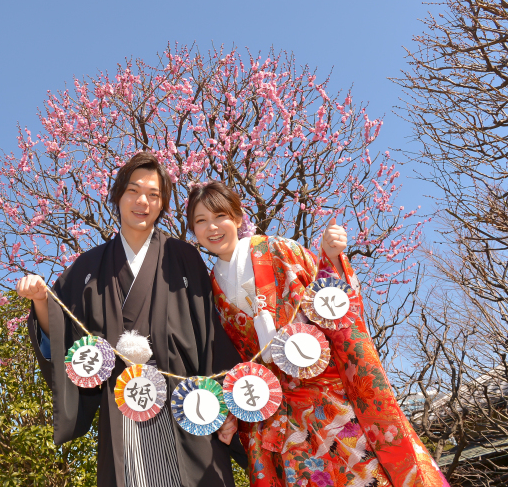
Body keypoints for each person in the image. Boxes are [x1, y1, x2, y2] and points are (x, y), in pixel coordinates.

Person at [187, 181, 449, 487]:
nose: (212, 227)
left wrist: (331, 256)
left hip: (326, 396)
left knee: (365, 475)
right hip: (278, 414)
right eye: (200, 221)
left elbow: (326, 299)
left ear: (237, 216)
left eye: (220, 216)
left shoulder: (279, 249)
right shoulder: (212, 291)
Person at [17, 153, 246, 487]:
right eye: (134, 191)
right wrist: (41, 301)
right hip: (123, 407)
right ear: (118, 196)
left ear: (163, 203)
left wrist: (225, 403)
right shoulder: (88, 267)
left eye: (154, 195)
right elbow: (65, 336)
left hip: (188, 405)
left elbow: (211, 335)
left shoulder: (184, 257)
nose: (143, 201)